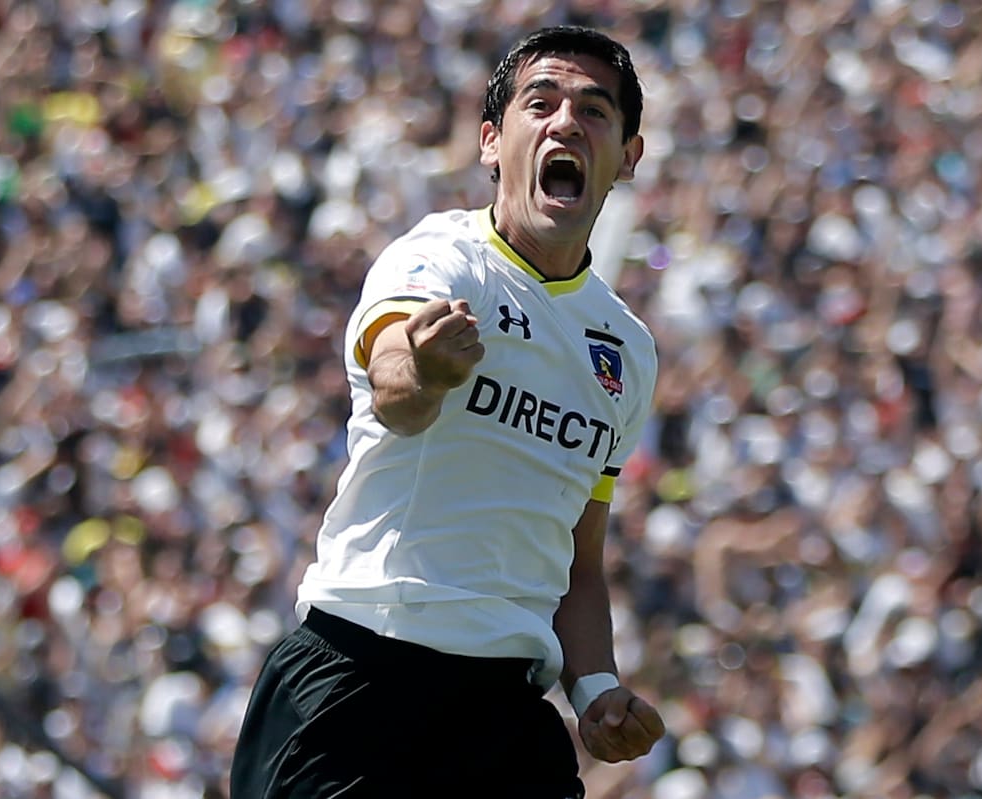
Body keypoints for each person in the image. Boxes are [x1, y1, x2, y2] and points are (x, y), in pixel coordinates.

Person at [231, 25, 665, 798]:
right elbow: (395, 392)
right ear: (492, 142)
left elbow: (578, 556)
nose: (567, 122)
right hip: (360, 679)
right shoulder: (437, 260)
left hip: (504, 713)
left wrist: (595, 687)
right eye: (543, 103)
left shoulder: (626, 351)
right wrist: (426, 371)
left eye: (595, 111)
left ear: (628, 157)